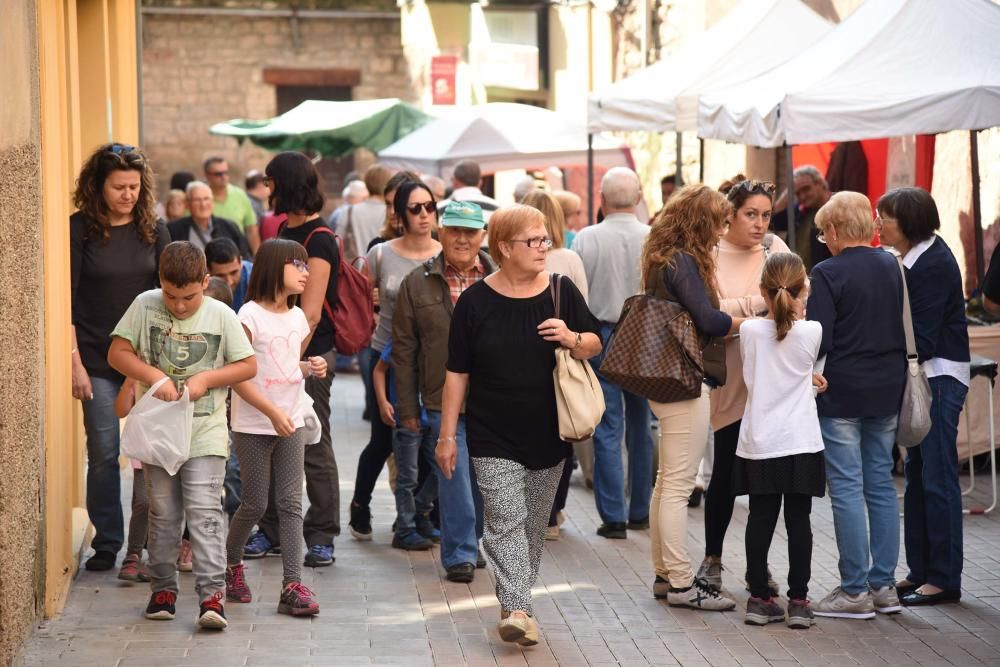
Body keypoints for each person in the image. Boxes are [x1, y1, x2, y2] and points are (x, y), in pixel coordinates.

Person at [437, 205, 601, 645]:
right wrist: (448, 436)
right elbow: (456, 373)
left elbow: (595, 342)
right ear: (504, 248)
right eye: (533, 241)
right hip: (491, 433)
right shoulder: (474, 302)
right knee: (505, 519)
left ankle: (517, 600)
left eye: (545, 239)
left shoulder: (561, 291)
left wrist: (570, 338)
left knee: (531, 528)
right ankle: (517, 609)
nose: (543, 248)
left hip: (550, 432)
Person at [107, 241, 257, 629]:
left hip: (205, 433)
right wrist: (154, 376)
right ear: (160, 283)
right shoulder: (144, 305)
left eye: (189, 297)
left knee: (205, 514)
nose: (178, 306)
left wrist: (207, 377)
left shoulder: (221, 315)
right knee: (164, 514)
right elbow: (118, 353)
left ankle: (212, 597)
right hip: (158, 435)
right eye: (171, 296)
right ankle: (162, 588)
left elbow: (247, 365)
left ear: (206, 282)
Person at [70, 142, 170, 572]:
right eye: (118, 187)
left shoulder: (155, 230)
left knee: (153, 454)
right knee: (106, 450)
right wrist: (74, 363)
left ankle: (145, 543)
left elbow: (173, 298)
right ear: (98, 186)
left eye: (133, 187)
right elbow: (66, 305)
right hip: (94, 358)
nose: (127, 194)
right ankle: (108, 541)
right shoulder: (80, 230)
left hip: (148, 361)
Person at [806, 192, 906, 619]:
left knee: (846, 487)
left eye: (823, 231)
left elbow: (820, 337)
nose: (823, 239)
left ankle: (853, 591)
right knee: (881, 484)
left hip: (842, 387)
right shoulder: (892, 264)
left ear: (832, 230)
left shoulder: (827, 272)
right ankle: (884, 586)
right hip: (887, 386)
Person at [644, 184, 743, 612]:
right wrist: (749, 317)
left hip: (664, 379)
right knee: (678, 485)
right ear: (701, 222)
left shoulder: (662, 256)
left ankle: (667, 576)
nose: (723, 231)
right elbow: (708, 319)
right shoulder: (683, 261)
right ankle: (683, 583)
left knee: (667, 481)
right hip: (683, 378)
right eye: (720, 221)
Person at [244, 152, 342, 568]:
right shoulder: (285, 230)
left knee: (311, 443)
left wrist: (286, 365)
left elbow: (313, 311)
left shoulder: (319, 237)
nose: (267, 190)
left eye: (271, 182)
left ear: (285, 184)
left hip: (309, 355)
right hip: (278, 356)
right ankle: (272, 530)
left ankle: (321, 535)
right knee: (268, 441)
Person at [876, 187, 970, 606]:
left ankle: (944, 578)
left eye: (886, 217)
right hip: (927, 375)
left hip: (939, 377)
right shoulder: (915, 257)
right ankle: (920, 572)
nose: (879, 224)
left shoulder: (930, 263)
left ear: (909, 222)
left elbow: (924, 339)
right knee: (917, 476)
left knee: (937, 477)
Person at [698, 177, 791, 592]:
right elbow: (709, 310)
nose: (759, 224)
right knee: (724, 475)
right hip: (729, 377)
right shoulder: (709, 254)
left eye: (766, 215)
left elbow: (795, 301)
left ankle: (759, 567)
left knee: (765, 481)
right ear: (729, 215)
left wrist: (738, 314)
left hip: (769, 382)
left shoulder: (776, 250)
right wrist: (759, 305)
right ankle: (712, 558)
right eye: (750, 214)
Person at [225, 239, 327, 617]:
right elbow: (240, 377)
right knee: (254, 503)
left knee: (290, 503)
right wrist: (270, 412)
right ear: (273, 267)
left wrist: (310, 367)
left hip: (291, 419)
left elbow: (284, 367)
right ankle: (232, 565)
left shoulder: (298, 317)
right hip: (254, 423)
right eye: (297, 265)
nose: (306, 272)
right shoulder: (248, 316)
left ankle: (292, 584)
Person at [393, 201, 494, 582]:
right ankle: (460, 554)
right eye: (455, 231)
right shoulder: (417, 282)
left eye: (471, 232)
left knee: (484, 479)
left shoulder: (501, 278)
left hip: (492, 399)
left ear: (482, 235)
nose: (463, 239)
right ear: (440, 233)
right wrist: (407, 407)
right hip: (438, 398)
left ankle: (473, 540)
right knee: (454, 479)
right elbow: (404, 351)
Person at [736, 253, 826, 629]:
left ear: (763, 291)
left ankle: (759, 598)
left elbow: (756, 375)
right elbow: (797, 368)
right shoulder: (813, 330)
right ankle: (800, 601)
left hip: (760, 438)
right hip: (801, 439)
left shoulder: (748, 331)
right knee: (799, 521)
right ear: (804, 290)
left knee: (760, 518)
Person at [348, 180, 442, 540]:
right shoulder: (382, 253)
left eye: (429, 207)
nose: (424, 215)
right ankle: (360, 504)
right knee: (385, 438)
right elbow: (359, 300)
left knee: (429, 441)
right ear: (400, 215)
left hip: (431, 362)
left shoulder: (444, 252)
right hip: (386, 356)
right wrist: (371, 311)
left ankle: (419, 515)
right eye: (415, 208)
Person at [571, 167, 653, 539]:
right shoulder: (653, 238)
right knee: (640, 422)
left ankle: (614, 516)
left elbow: (575, 293)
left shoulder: (586, 238)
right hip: (643, 332)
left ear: (601, 200)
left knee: (607, 426)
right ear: (638, 198)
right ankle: (639, 510)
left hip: (600, 332)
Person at [521, 189, 589, 540]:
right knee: (562, 437)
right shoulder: (570, 260)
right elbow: (584, 314)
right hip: (562, 361)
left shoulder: (529, 262)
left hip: (533, 361)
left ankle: (535, 510)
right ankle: (552, 513)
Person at [375, 337, 439, 550]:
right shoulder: (401, 340)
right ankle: (405, 528)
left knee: (444, 470)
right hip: (405, 419)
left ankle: (420, 511)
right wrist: (383, 402)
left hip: (432, 417)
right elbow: (379, 370)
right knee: (407, 477)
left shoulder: (439, 337)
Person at [113, 377, 150, 583]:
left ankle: (159, 559)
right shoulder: (138, 372)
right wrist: (129, 382)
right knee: (143, 502)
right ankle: (133, 553)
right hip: (144, 446)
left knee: (167, 507)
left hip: (173, 445)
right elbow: (120, 410)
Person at [772, 165, 832, 270]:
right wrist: (789, 191)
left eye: (806, 189)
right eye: (797, 193)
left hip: (824, 278)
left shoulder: (837, 208)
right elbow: (773, 220)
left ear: (820, 183)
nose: (802, 196)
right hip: (795, 279)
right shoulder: (800, 210)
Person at [167, 181, 250, 258]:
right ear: (187, 204)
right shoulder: (173, 229)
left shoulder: (229, 227)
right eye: (197, 200)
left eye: (206, 199)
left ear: (212, 201)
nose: (203, 204)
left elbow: (244, 257)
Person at [204, 157, 260, 255]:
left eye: (226, 172)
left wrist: (257, 257)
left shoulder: (240, 195)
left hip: (237, 255)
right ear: (207, 175)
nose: (223, 176)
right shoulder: (201, 197)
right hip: (208, 255)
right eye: (218, 174)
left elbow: (251, 229)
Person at [343, 163, 394, 261]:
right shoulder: (392, 212)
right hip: (383, 269)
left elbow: (337, 242)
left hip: (355, 271)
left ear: (366, 182)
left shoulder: (349, 211)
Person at [205, 238, 253, 311]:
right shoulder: (198, 287)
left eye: (234, 273)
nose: (229, 282)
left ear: (241, 263)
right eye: (220, 276)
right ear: (207, 270)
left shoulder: (257, 279)